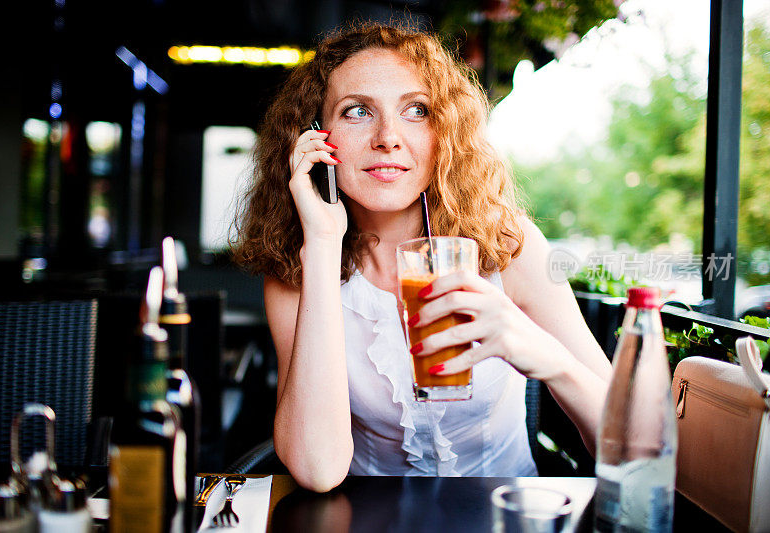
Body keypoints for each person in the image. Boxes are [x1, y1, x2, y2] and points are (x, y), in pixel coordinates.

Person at [232, 21, 612, 492]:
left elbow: (629, 446)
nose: (388, 137)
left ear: (445, 132)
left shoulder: (508, 244)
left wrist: (542, 354)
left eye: (416, 110)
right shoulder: (298, 267)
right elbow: (317, 468)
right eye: (357, 112)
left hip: (505, 515)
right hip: (369, 520)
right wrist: (324, 244)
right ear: (316, 137)